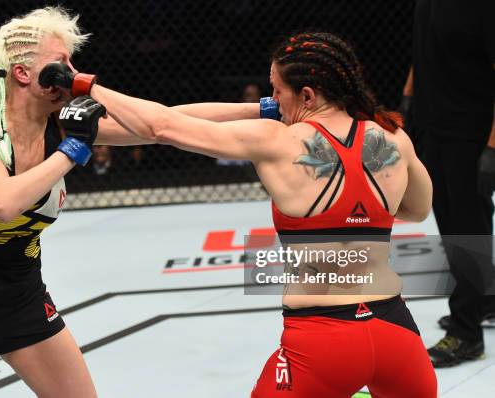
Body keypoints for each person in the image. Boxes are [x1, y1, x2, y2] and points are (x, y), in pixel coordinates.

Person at [43, 31, 437, 396]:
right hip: (396, 334)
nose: (272, 98)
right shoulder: (392, 137)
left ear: (306, 95)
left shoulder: (276, 141)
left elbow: (163, 125)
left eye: (276, 90)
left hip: (322, 339)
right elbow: (418, 209)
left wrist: (84, 84)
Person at [0, 7, 259, 397]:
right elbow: (1, 203)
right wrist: (72, 150)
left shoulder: (61, 129)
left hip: (21, 299)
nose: (71, 72)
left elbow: (169, 122)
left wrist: (261, 110)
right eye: (61, 64)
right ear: (23, 73)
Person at [409, 0, 495, 367]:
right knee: (450, 218)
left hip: (470, 133)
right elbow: (422, 52)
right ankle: (485, 301)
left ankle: (466, 334)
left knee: (466, 227)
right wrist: (408, 98)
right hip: (434, 124)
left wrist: (492, 147)